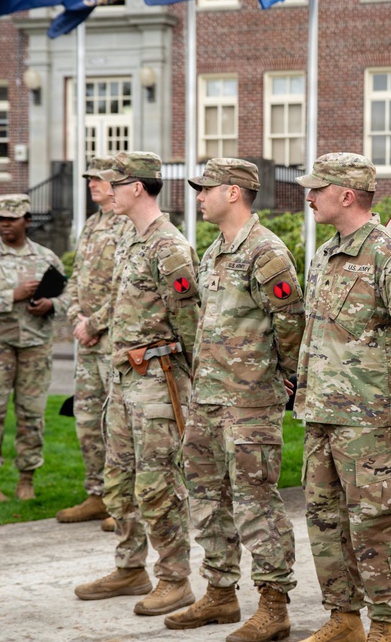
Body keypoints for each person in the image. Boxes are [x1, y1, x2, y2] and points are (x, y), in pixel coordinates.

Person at [294, 153, 391, 642]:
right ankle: (344, 618)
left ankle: (386, 625)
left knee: (378, 525)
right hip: (322, 415)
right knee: (325, 522)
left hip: (372, 420)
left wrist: (383, 387)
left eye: (317, 189)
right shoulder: (324, 254)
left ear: (346, 195)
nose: (309, 196)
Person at [164, 158, 304, 641]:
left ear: (233, 193)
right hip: (208, 397)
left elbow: (291, 323)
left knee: (255, 502)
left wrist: (282, 376)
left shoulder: (266, 252)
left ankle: (274, 605)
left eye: (207, 189)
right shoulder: (215, 251)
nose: (199, 197)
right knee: (206, 496)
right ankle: (221, 592)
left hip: (249, 401)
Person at [74, 151, 201, 617]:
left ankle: (174, 579)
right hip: (124, 378)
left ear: (137, 188)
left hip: (156, 381)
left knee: (157, 484)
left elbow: (191, 324)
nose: (107, 190)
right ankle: (130, 567)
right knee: (119, 478)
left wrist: (190, 384)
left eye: (115, 183)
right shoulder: (132, 238)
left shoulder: (170, 248)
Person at [0, 193, 68, 503]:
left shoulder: (47, 258)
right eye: (0, 219)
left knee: (32, 414)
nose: (5, 224)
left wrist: (51, 304)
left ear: (27, 221)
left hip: (35, 347)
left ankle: (26, 479)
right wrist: (11, 295)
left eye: (12, 219)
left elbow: (70, 296)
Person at [56, 156, 135, 532]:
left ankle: (124, 499)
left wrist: (94, 323)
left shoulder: (127, 223)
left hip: (113, 339)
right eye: (89, 178)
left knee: (117, 422)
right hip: (87, 339)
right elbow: (76, 277)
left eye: (99, 179)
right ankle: (97, 493)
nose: (91, 184)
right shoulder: (91, 223)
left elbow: (126, 286)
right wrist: (77, 318)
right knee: (87, 419)